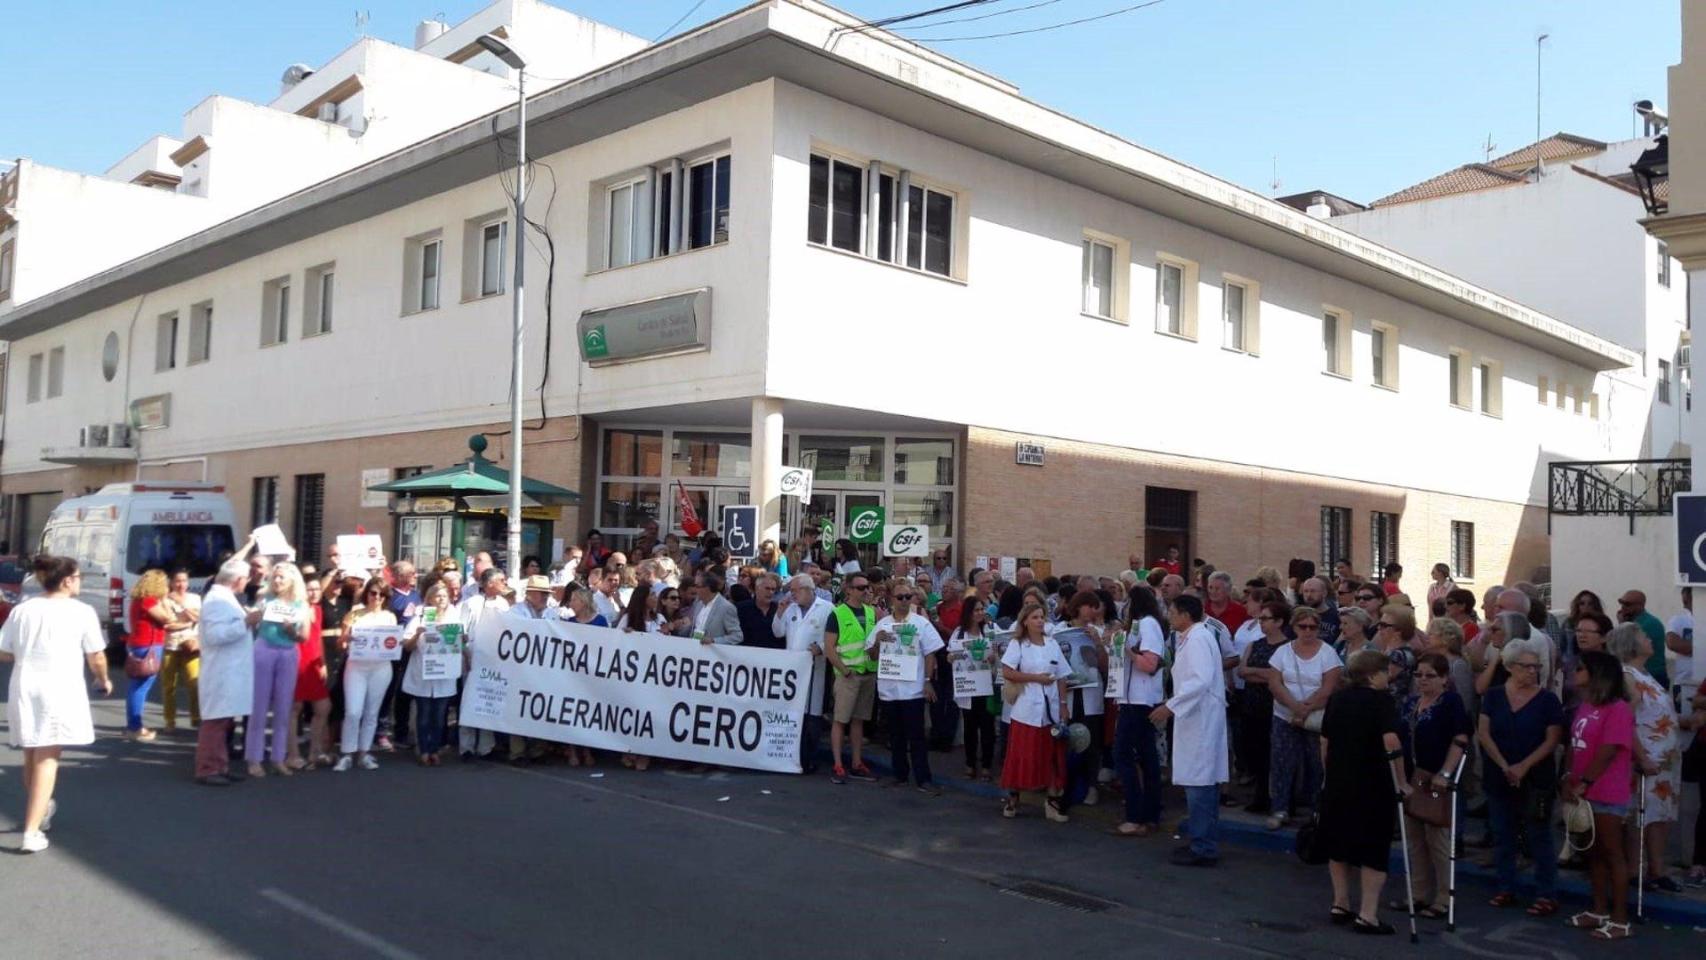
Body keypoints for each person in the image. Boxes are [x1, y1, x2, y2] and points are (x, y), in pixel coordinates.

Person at [0, 556, 113, 852]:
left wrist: (27, 654)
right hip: (59, 685)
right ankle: (31, 830)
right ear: (66, 580)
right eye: (78, 577)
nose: (80, 582)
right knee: (48, 757)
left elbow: (3, 650)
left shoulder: (23, 610)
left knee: (31, 752)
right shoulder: (82, 612)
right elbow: (97, 655)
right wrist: (103, 680)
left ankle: (42, 810)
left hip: (25, 683)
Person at [1318, 649, 1407, 932]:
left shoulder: (1338, 699)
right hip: (1373, 783)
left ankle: (1340, 902)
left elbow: (1325, 740)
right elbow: (1391, 741)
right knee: (1373, 848)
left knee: (1339, 842)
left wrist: (1329, 771)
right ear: (1372, 675)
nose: (1387, 676)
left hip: (1339, 780)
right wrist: (1402, 781)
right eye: (1384, 671)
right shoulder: (1382, 702)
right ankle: (1368, 914)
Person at [1477, 637, 1564, 913]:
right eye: (1527, 666)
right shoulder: (1493, 696)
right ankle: (1506, 886)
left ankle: (1546, 892)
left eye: (1536, 667)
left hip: (1536, 777)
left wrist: (1523, 766)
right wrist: (1504, 765)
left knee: (1539, 834)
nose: (1533, 671)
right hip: (1499, 774)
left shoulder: (1548, 700)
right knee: (1504, 832)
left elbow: (1552, 740)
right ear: (1511, 666)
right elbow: (1484, 733)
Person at [1563, 651, 1637, 939]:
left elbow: (1609, 750)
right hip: (1583, 789)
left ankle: (1619, 919)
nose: (1574, 672)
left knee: (1611, 852)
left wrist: (1585, 781)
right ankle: (1598, 910)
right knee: (1592, 853)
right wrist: (1568, 777)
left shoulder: (1617, 709)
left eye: (1580, 669)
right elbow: (1574, 744)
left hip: (1606, 791)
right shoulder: (1585, 705)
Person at [1150, 595, 1227, 865]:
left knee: (1200, 783)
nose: (1169, 616)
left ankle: (1203, 847)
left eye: (1171, 611)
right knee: (1202, 781)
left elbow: (1199, 680)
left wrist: (1170, 706)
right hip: (1197, 718)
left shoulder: (1197, 640)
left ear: (1185, 614)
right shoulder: (1193, 638)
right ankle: (1202, 841)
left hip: (1200, 720)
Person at [1608, 623, 1681, 893]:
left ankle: (1657, 869)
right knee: (1639, 815)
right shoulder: (1627, 675)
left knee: (1659, 814)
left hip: (1664, 759)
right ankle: (1634, 870)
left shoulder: (1645, 673)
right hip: (1645, 759)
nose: (1650, 640)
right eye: (1644, 637)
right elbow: (1626, 720)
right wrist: (1640, 756)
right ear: (1631, 644)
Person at [1397, 652, 1471, 919]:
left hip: (1435, 775)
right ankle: (1417, 893)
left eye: (1430, 676)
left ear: (1443, 679)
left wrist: (1447, 772)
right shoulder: (1411, 703)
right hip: (1410, 776)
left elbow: (1460, 737)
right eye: (1419, 675)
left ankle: (1443, 896)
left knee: (1437, 838)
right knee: (1414, 838)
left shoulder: (1450, 702)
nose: (1423, 680)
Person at [1264, 606, 1342, 830]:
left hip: (1316, 717)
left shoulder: (1328, 653)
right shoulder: (1283, 652)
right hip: (1284, 715)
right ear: (1294, 627)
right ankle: (1280, 808)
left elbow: (1329, 686)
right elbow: (1274, 682)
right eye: (1303, 626)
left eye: (1313, 627)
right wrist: (1294, 707)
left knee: (1317, 764)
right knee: (1282, 762)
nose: (1308, 631)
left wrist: (1305, 710)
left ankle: (1316, 811)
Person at [1000, 602, 1073, 822]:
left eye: (1042, 617)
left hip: (1049, 710)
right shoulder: (1018, 644)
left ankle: (1051, 802)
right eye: (1035, 617)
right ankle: (1014, 797)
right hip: (1026, 708)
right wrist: (1036, 679)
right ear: (1025, 621)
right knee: (1021, 754)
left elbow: (1061, 675)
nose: (1040, 621)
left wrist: (1062, 704)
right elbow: (1008, 671)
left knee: (1052, 756)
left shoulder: (1052, 644)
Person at [873, 583, 944, 795]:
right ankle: (899, 775)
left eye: (907, 597)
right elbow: (872, 655)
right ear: (891, 599)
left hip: (912, 690)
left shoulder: (921, 623)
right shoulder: (883, 624)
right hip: (889, 689)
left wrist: (927, 680)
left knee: (917, 737)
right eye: (900, 597)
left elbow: (931, 652)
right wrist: (876, 642)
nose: (904, 601)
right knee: (895, 736)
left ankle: (924, 779)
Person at [1111, 584, 1167, 836]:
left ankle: (1136, 815)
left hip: (1139, 700)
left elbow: (1149, 663)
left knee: (1124, 753)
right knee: (1146, 756)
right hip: (1133, 697)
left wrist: (1128, 652)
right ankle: (1149, 814)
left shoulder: (1147, 625)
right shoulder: (1142, 625)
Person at [197, 559, 258, 785]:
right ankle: (207, 768)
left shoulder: (224, 598)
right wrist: (246, 622)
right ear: (238, 580)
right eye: (246, 579)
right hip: (222, 670)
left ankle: (220, 765)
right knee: (215, 720)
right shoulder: (216, 601)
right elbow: (215, 636)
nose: (247, 583)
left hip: (231, 670)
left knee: (225, 720)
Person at [247, 563, 309, 777]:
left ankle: (278, 757)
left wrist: (292, 631)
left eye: (282, 577)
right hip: (264, 649)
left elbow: (304, 636)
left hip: (288, 652)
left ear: (292, 580)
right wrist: (255, 617)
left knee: (284, 708)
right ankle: (254, 759)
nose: (278, 581)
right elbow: (251, 622)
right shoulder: (264, 599)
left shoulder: (301, 605)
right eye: (275, 577)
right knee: (259, 706)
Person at [335, 578, 397, 772]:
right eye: (373, 593)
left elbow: (393, 643)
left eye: (381, 594)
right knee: (353, 712)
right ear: (367, 594)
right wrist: (346, 638)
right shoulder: (354, 614)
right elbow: (341, 644)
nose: (376, 597)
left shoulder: (389, 617)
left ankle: (364, 752)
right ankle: (347, 753)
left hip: (381, 668)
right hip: (356, 667)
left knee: (372, 713)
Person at [825, 572, 880, 784]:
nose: (865, 590)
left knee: (859, 721)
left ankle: (857, 763)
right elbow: (829, 647)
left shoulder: (870, 612)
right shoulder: (837, 614)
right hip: (849, 675)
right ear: (849, 590)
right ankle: (838, 764)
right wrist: (844, 670)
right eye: (860, 587)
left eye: (867, 586)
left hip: (867, 673)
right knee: (840, 720)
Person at [1237, 597, 1290, 816]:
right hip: (1252, 705)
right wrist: (1266, 675)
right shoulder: (1255, 644)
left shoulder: (1287, 647)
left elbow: (1280, 677)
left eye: (1266, 619)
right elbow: (1242, 671)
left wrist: (1258, 674)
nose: (1261, 623)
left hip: (1274, 706)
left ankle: (1278, 799)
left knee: (1275, 754)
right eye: (1260, 619)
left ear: (1279, 622)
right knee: (1256, 752)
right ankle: (1259, 796)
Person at [774, 574, 832, 772]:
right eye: (791, 591)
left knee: (812, 714)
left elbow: (834, 638)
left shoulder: (826, 608)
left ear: (808, 589)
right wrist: (780, 612)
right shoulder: (790, 608)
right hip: (792, 671)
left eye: (795, 590)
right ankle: (791, 755)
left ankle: (809, 757)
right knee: (793, 713)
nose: (792, 594)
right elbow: (778, 632)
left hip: (814, 668)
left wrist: (822, 648)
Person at [401, 581, 461, 767]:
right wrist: (417, 634)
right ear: (430, 598)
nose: (441, 599)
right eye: (438, 596)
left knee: (439, 716)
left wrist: (463, 640)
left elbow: (460, 645)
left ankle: (434, 749)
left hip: (444, 676)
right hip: (423, 675)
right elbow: (407, 646)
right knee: (424, 714)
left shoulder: (454, 618)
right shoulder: (420, 618)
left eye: (445, 596)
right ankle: (424, 750)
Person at [947, 597, 998, 781]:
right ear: (968, 613)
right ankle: (970, 763)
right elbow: (950, 654)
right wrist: (952, 658)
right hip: (968, 686)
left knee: (987, 727)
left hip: (987, 685)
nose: (979, 613)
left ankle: (986, 765)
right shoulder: (959, 633)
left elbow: (1002, 651)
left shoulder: (991, 630)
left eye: (981, 609)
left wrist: (994, 657)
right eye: (976, 610)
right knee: (970, 727)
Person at [287, 576, 332, 770]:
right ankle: (293, 754)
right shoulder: (295, 608)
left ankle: (315, 750)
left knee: (323, 708)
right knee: (294, 709)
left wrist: (323, 663)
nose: (314, 592)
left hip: (313, 664)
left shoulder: (318, 610)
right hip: (296, 661)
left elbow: (318, 638)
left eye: (317, 589)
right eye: (310, 589)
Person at [125, 569, 176, 741]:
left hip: (141, 643)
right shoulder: (149, 600)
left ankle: (134, 725)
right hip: (147, 645)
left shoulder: (140, 600)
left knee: (137, 686)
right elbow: (167, 618)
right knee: (140, 687)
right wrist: (165, 601)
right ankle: (134, 727)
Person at [160, 569, 203, 731]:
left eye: (184, 581)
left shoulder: (195, 598)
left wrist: (182, 605)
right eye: (177, 581)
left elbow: (198, 618)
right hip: (170, 645)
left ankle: (196, 716)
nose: (181, 584)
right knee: (169, 686)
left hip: (191, 645)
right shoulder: (164, 600)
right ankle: (169, 721)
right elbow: (167, 625)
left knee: (194, 682)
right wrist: (187, 623)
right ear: (171, 583)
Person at [1616, 590, 1669, 691]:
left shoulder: (1648, 624)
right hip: (1640, 674)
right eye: (1621, 603)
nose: (1622, 607)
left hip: (1653, 676)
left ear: (1640, 606)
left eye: (1627, 604)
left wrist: (1621, 624)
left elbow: (1624, 648)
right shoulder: (1634, 623)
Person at [691, 571, 741, 644]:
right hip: (694, 651)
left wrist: (714, 641)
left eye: (697, 586)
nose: (694, 590)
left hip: (712, 653)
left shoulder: (726, 607)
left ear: (707, 588)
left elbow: (737, 636)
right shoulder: (698, 604)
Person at [737, 573, 784, 649]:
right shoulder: (741, 609)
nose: (771, 592)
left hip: (774, 657)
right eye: (767, 588)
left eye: (773, 589)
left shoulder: (779, 610)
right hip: (746, 657)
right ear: (757, 588)